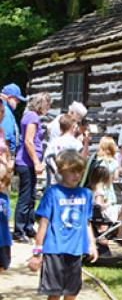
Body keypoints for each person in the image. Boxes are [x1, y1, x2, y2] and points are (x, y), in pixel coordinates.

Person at [28, 150, 98, 299]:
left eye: (79, 171)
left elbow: (86, 223)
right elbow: (43, 225)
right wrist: (37, 253)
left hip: (76, 250)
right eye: (72, 171)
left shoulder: (86, 194)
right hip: (54, 250)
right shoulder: (53, 193)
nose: (76, 175)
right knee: (54, 294)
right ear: (61, 171)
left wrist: (92, 245)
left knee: (71, 293)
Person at [14, 92, 51, 243]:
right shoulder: (32, 117)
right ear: (42, 104)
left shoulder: (31, 116)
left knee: (31, 196)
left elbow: (33, 138)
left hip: (29, 162)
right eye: (48, 104)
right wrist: (36, 162)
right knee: (25, 197)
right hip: (26, 162)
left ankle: (28, 227)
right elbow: (29, 141)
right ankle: (19, 229)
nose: (48, 108)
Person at [44, 114, 87, 187]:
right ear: (73, 127)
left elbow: (48, 158)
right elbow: (83, 158)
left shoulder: (54, 142)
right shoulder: (76, 143)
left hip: (56, 178)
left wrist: (56, 170)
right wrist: (86, 141)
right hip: (72, 177)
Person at [0, 83, 26, 157]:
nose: (18, 102)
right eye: (17, 99)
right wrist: (11, 159)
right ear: (10, 97)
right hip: (5, 156)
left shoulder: (6, 109)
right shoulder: (6, 112)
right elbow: (5, 140)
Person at [0, 163, 12, 272]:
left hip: (3, 233)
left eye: (2, 181)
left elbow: (7, 214)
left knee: (4, 263)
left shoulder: (4, 198)